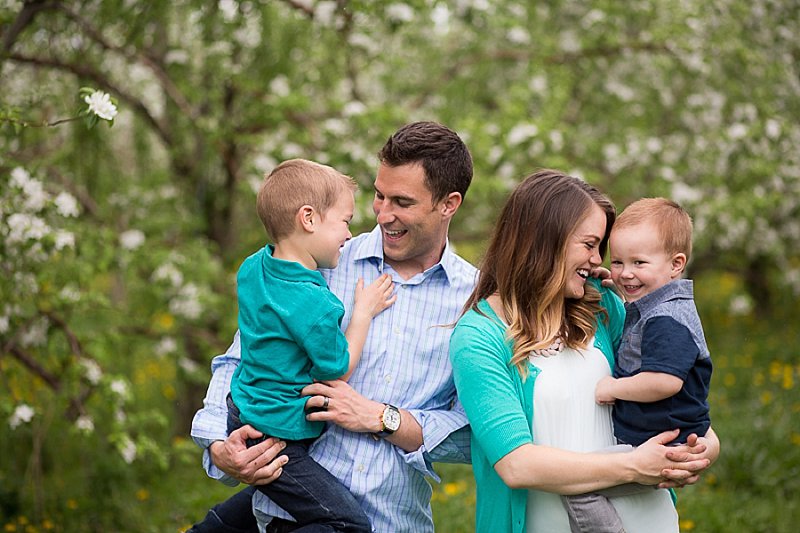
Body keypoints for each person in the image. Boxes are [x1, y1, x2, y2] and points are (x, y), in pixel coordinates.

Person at [190, 121, 478, 533]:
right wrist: (218, 445)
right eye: (379, 196)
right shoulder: (320, 261)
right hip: (286, 516)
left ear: (449, 204)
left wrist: (383, 418)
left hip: (391, 522)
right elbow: (242, 359)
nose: (383, 214)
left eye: (402, 201)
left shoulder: (477, 302)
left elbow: (473, 434)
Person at [448, 170, 719, 533]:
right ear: (546, 241)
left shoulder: (602, 305)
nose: (598, 260)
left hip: (647, 517)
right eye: (589, 245)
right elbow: (516, 464)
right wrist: (635, 466)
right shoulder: (479, 336)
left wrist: (703, 446)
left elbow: (669, 389)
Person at [226, 159, 397, 532]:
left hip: (241, 411)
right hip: (278, 433)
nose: (349, 235)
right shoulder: (317, 305)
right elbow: (337, 367)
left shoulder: (252, 267)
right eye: (345, 221)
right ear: (309, 219)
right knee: (347, 523)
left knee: (271, 497)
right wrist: (363, 313)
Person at [560, 197, 713, 533]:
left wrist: (613, 387)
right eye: (618, 261)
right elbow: (632, 286)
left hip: (664, 447)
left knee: (580, 487)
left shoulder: (666, 319)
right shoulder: (661, 301)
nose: (626, 273)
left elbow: (664, 382)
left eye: (639, 263)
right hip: (660, 438)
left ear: (676, 265)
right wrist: (610, 281)